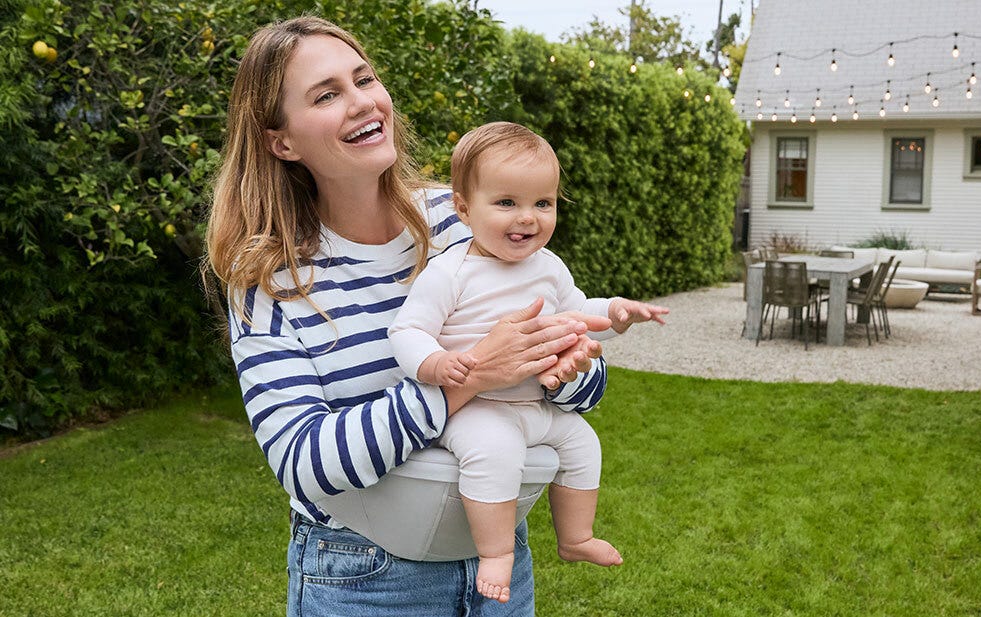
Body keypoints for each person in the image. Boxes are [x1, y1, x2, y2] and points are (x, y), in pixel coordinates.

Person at [203, 16, 612, 617]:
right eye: (326, 94)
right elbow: (302, 463)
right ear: (281, 142)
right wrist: (468, 376)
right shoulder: (270, 278)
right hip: (364, 579)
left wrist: (565, 366)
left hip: (496, 556)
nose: (362, 102)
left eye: (363, 79)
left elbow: (586, 389)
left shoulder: (465, 218)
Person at [388, 122, 668, 604]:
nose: (528, 218)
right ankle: (496, 554)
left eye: (543, 203)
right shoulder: (451, 272)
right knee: (494, 456)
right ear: (463, 209)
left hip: (538, 404)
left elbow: (580, 308)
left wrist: (617, 312)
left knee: (583, 444)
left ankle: (575, 537)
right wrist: (436, 364)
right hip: (478, 406)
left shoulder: (549, 266)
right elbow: (406, 331)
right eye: (507, 203)